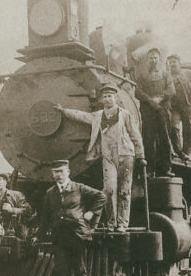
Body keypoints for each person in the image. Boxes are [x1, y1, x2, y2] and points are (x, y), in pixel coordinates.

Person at [54, 85, 145, 232]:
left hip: (126, 155)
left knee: (124, 191)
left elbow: (135, 135)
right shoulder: (97, 116)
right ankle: (111, 223)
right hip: (107, 156)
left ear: (115, 98)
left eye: (110, 96)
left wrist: (141, 155)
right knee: (109, 190)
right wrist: (64, 111)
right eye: (105, 97)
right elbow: (81, 116)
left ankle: (122, 223)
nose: (107, 99)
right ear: (102, 100)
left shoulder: (125, 114)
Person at [30, 160, 106, 276]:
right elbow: (45, 217)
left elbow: (101, 196)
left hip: (77, 235)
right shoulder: (50, 193)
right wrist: (39, 235)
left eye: (61, 171)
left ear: (68, 172)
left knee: (79, 271)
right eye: (55, 172)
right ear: (52, 174)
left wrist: (91, 213)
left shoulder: (79, 188)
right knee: (60, 272)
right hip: (60, 238)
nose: (58, 175)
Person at [134, 47, 175, 177]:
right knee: (148, 140)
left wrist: (160, 98)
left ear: (160, 59)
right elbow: (138, 92)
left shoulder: (166, 74)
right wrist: (150, 101)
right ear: (147, 60)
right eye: (151, 58)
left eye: (155, 58)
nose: (153, 60)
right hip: (148, 111)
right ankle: (150, 170)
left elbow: (171, 90)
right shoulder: (142, 76)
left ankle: (166, 169)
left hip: (163, 110)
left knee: (165, 139)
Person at [0, 171, 33, 238]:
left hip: (16, 236)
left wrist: (12, 210)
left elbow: (29, 211)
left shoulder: (17, 195)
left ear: (5, 182)